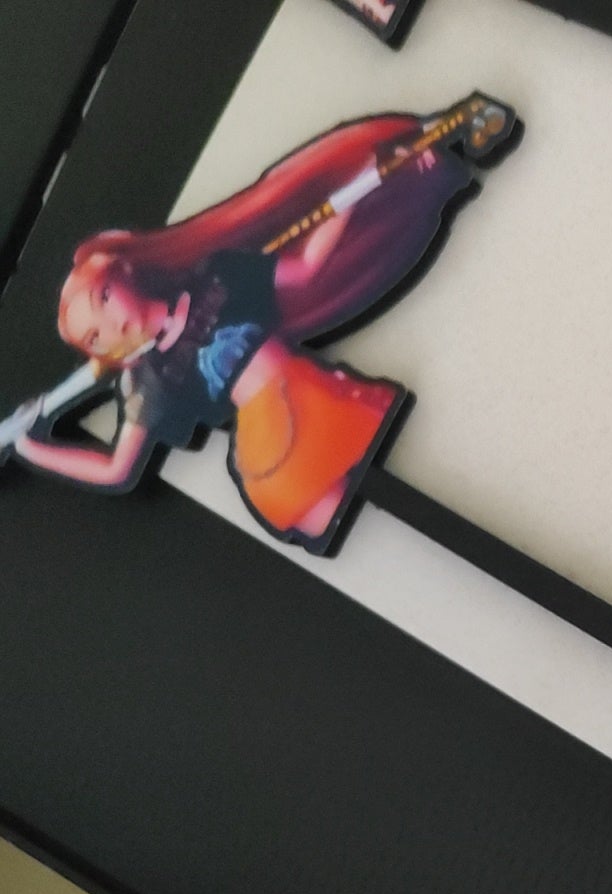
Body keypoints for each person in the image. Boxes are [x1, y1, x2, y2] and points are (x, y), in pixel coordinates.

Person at [6, 94, 515, 554]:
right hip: (269, 448)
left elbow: (306, 267)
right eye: (93, 335)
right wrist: (33, 448)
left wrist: (348, 196)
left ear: (126, 272)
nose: (109, 322)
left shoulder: (216, 275)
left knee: (394, 479)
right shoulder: (148, 383)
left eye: (103, 296)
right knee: (346, 522)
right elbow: (116, 469)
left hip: (313, 394)